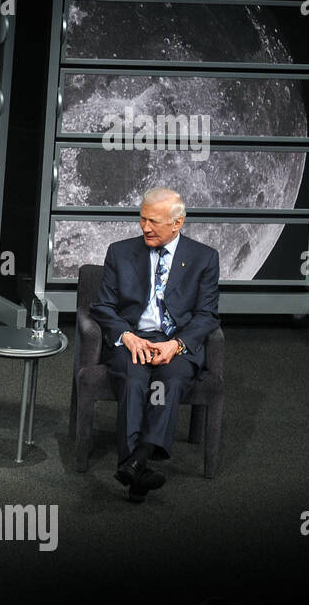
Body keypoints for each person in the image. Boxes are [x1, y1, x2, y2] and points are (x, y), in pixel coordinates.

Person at [90, 187, 220, 503]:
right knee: (135, 379)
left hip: (174, 343)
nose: (146, 227)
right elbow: (102, 307)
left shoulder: (204, 258)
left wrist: (176, 345)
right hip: (133, 339)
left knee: (170, 380)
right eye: (143, 219)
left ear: (177, 223)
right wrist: (128, 336)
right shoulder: (119, 252)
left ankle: (135, 460)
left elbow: (207, 316)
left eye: (155, 222)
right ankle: (138, 466)